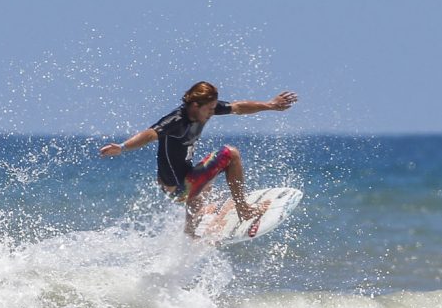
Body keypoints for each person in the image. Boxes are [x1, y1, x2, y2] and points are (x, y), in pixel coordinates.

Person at [100, 82, 297, 235]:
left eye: (213, 108)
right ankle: (244, 210)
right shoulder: (177, 120)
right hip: (178, 188)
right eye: (209, 109)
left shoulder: (202, 111)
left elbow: (237, 107)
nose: (213, 112)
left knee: (206, 184)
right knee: (231, 154)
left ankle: (190, 233)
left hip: (181, 183)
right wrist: (123, 147)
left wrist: (270, 105)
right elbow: (151, 134)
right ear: (195, 105)